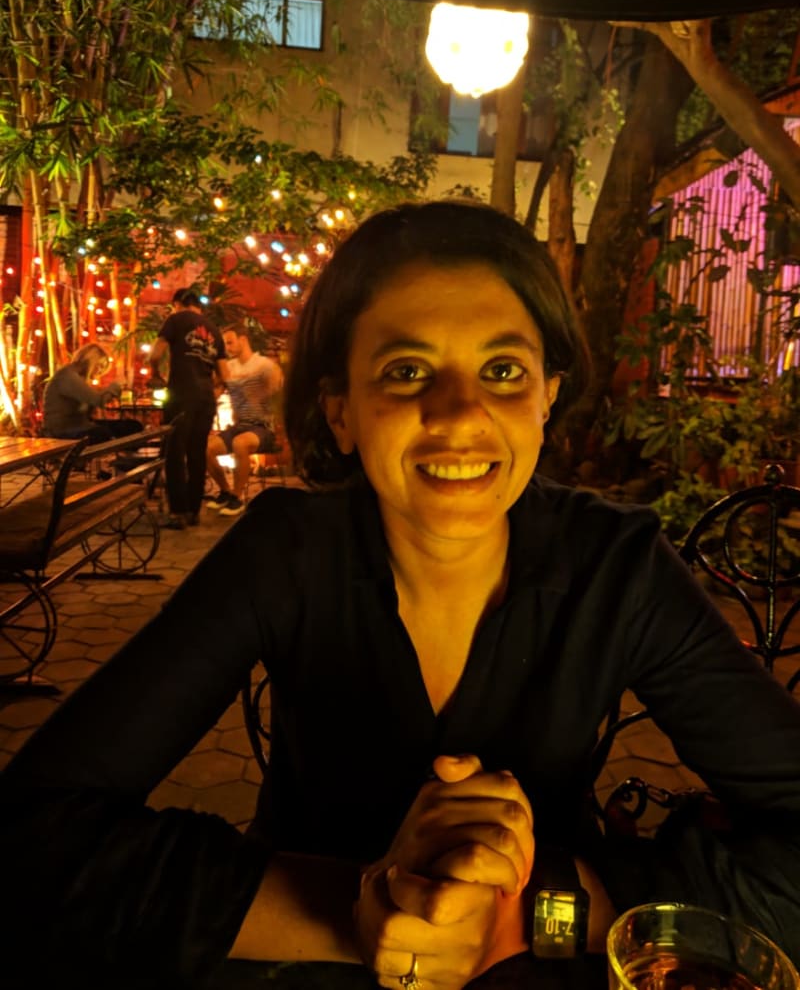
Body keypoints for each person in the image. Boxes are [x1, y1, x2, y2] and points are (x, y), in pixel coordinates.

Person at [2, 201, 800, 990]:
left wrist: (521, 916)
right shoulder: (286, 551)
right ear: (340, 411)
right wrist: (360, 908)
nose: (460, 413)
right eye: (407, 370)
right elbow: (31, 833)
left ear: (547, 398)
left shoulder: (615, 565)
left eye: (503, 370)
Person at [150, 288, 229, 529]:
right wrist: (212, 392)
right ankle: (194, 511)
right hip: (205, 399)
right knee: (197, 453)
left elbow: (155, 354)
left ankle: (178, 513)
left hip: (181, 395)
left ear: (178, 303)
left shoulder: (176, 319)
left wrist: (156, 373)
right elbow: (225, 375)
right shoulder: (214, 330)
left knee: (174, 452)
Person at [206, 323, 284, 517]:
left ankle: (237, 497)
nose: (227, 348)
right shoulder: (228, 368)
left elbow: (280, 390)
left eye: (230, 342)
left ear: (243, 340)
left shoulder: (263, 365)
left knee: (240, 443)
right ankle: (225, 491)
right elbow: (215, 390)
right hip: (240, 426)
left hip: (263, 428)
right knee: (206, 448)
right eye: (225, 344)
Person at [42, 342, 143, 443]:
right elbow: (98, 400)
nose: (100, 371)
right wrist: (116, 385)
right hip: (62, 431)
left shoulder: (78, 377)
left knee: (132, 426)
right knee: (101, 433)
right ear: (91, 361)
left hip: (80, 425)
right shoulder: (68, 376)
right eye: (100, 366)